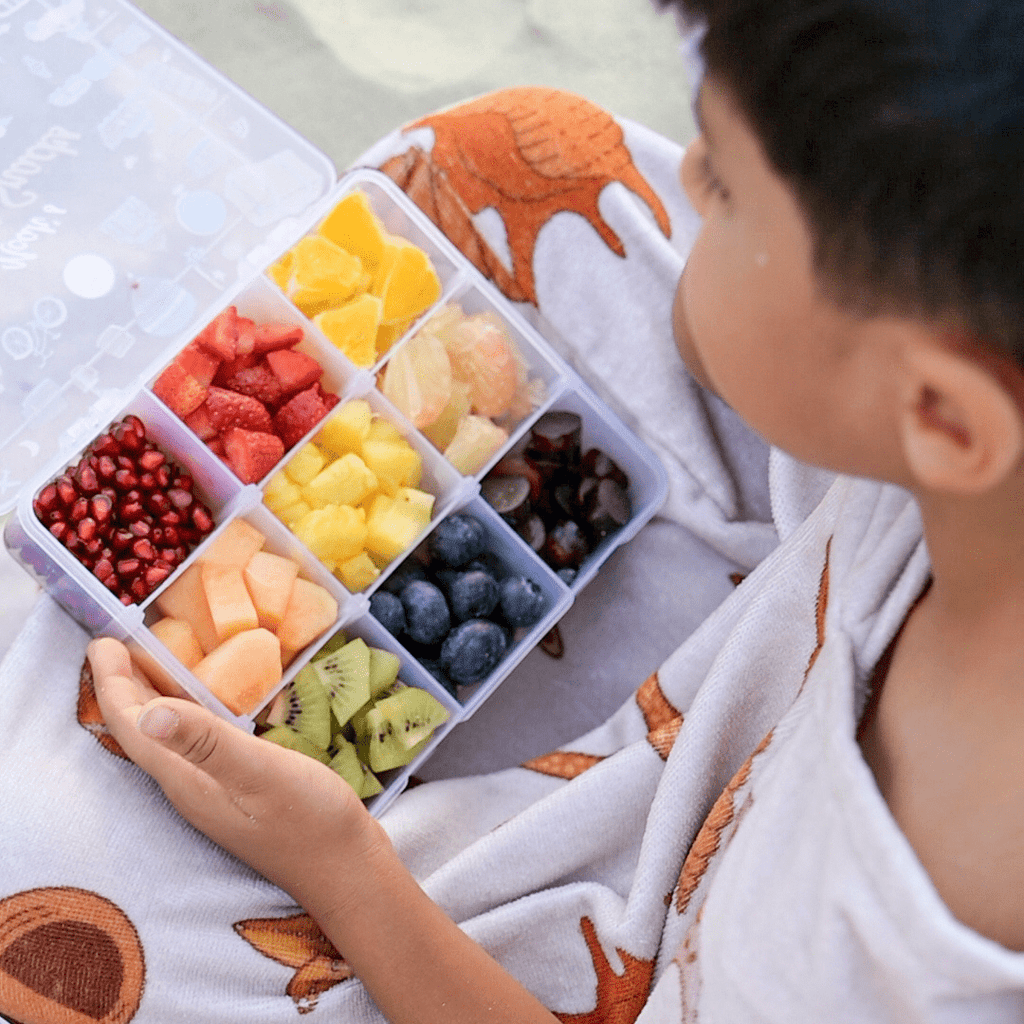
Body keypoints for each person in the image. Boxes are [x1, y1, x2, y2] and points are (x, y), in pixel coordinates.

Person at [86, 0, 1024, 1019]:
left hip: (618, 939)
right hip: (825, 582)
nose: (692, 176)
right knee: (491, 156)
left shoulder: (879, 944)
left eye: (727, 191)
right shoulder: (959, 467)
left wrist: (335, 861)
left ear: (940, 415)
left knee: (52, 857)